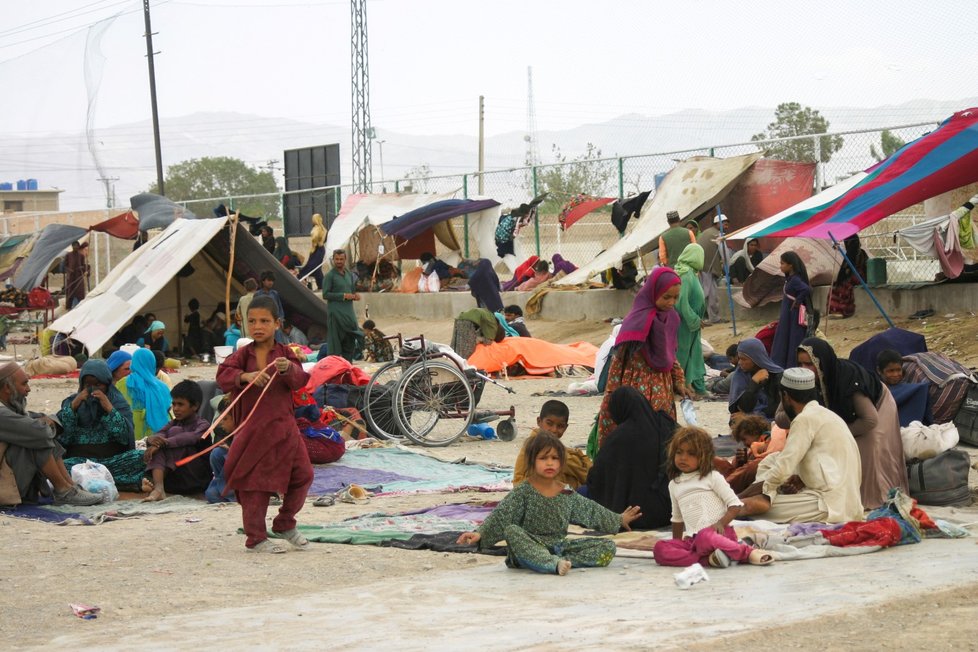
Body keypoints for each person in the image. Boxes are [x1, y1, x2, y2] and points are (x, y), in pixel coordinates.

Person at [456, 432, 642, 575]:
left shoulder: (567, 492)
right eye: (543, 458)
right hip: (528, 547)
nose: (550, 463)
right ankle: (551, 564)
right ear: (532, 461)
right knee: (512, 531)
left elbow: (591, 511)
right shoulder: (524, 491)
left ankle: (556, 560)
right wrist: (479, 534)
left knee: (608, 548)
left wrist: (618, 519)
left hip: (558, 547)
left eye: (554, 458)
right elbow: (502, 515)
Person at [217, 295, 314, 553]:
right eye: (252, 321)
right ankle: (256, 537)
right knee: (254, 485)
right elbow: (223, 375)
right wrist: (244, 376)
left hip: (285, 429)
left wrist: (287, 370)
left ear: (277, 324)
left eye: (264, 321)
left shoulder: (285, 354)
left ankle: (284, 522)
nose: (257, 326)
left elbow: (300, 379)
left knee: (303, 475)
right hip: (254, 432)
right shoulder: (241, 356)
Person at [739, 368, 864, 524]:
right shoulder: (828, 414)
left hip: (829, 504)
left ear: (785, 396)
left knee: (749, 509)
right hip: (848, 499)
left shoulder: (804, 419)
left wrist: (741, 496)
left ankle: (764, 497)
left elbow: (784, 466)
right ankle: (767, 495)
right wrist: (799, 479)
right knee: (772, 459)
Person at [797, 337, 908, 509]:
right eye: (801, 365)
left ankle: (874, 498)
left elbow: (870, 420)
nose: (806, 370)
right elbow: (783, 416)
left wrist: (837, 433)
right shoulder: (808, 381)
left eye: (810, 364)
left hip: (878, 406)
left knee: (869, 445)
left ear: (822, 363)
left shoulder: (847, 380)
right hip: (852, 418)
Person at [653, 426, 774, 568]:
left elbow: (734, 505)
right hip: (694, 541)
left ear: (703, 456)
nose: (683, 458)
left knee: (705, 536)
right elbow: (677, 519)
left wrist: (720, 524)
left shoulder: (712, 477)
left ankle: (746, 552)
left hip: (718, 534)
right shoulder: (674, 484)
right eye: (679, 452)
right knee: (659, 549)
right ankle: (709, 559)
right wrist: (678, 545)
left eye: (691, 454)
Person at [596, 268, 691, 448]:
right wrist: (611, 395)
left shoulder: (672, 319)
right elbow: (619, 360)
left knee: (660, 432)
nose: (671, 302)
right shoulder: (637, 320)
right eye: (666, 297)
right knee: (635, 433)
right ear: (652, 292)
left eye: (675, 298)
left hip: (662, 388)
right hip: (635, 387)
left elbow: (671, 354)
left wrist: (678, 380)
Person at [0, 361, 102, 506]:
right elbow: (40, 431)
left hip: (15, 474)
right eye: (24, 384)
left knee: (40, 436)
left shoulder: (10, 407)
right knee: (37, 441)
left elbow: (41, 418)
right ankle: (64, 490)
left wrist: (46, 424)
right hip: (5, 482)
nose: (28, 389)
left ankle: (69, 487)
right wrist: (45, 425)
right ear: (7, 388)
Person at [586, 387, 675, 529]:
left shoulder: (617, 438)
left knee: (579, 493)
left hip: (629, 516)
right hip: (670, 511)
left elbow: (596, 478)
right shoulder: (665, 424)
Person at [58, 359, 145, 491]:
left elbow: (124, 437)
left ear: (107, 384)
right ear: (82, 384)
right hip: (80, 465)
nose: (92, 389)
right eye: (88, 385)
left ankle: (92, 483)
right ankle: (117, 483)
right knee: (59, 467)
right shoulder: (71, 402)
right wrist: (74, 407)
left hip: (112, 462)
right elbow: (63, 437)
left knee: (141, 458)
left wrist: (109, 409)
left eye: (98, 385)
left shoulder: (118, 402)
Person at [142, 380, 211, 502]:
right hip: (176, 477)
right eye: (174, 404)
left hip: (195, 478)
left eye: (180, 404)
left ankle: (156, 485)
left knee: (174, 434)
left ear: (195, 406)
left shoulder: (203, 424)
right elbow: (160, 434)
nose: (176, 409)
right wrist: (152, 440)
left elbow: (190, 438)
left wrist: (164, 443)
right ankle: (159, 488)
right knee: (160, 441)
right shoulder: (174, 422)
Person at [512, 400, 591, 490]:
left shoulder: (557, 447)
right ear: (539, 421)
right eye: (549, 424)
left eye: (560, 426)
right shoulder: (535, 445)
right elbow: (585, 476)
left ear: (565, 427)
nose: (554, 430)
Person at [116, 348, 172, 442]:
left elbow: (115, 406)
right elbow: (168, 407)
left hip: (132, 430)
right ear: (152, 363)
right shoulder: (162, 386)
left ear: (134, 363)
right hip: (158, 432)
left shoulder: (124, 383)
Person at [674, 243, 708, 398]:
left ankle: (694, 385)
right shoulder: (685, 274)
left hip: (691, 324)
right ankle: (679, 386)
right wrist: (694, 319)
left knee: (694, 353)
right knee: (683, 353)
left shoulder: (691, 273)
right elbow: (681, 301)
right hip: (685, 323)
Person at [769, 251, 812, 369]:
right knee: (786, 338)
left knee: (792, 339)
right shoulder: (791, 279)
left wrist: (797, 301)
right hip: (788, 314)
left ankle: (790, 365)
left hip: (793, 315)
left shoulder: (795, 280)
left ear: (791, 265)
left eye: (782, 263)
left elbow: (806, 289)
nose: (780, 266)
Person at [728, 338, 784, 420]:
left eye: (744, 359)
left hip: (772, 420)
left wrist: (750, 416)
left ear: (756, 358)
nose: (739, 363)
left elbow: (776, 409)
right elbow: (740, 408)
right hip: (751, 417)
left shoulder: (778, 376)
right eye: (739, 358)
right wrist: (754, 383)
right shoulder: (740, 375)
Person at [322, 250, 363, 362]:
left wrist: (355, 296)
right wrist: (343, 296)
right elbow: (325, 294)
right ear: (333, 260)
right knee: (335, 344)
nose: (339, 261)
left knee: (350, 340)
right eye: (337, 259)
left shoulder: (349, 274)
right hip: (336, 314)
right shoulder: (330, 276)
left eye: (341, 259)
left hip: (348, 314)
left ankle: (348, 368)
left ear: (345, 260)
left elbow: (352, 291)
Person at [695, 213, 729, 323]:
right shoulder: (718, 235)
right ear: (717, 224)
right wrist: (727, 266)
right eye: (724, 223)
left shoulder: (706, 232)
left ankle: (707, 317)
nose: (726, 226)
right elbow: (725, 254)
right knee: (710, 293)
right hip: (708, 267)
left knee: (705, 292)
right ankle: (712, 318)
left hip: (701, 266)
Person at [827, 234, 868, 319]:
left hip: (859, 277)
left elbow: (850, 270)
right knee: (836, 286)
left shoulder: (856, 253)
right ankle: (834, 310)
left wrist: (844, 277)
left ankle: (842, 310)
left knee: (843, 288)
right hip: (855, 276)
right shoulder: (852, 253)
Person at [205, 396, 236, 504]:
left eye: (225, 419)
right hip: (231, 481)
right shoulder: (229, 435)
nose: (221, 423)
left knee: (211, 494)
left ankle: (231, 493)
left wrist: (233, 452)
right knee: (217, 453)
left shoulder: (247, 433)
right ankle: (226, 490)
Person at [298, 213, 327, 290]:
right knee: (316, 269)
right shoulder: (322, 229)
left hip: (317, 249)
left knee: (312, 267)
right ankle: (321, 285)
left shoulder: (318, 229)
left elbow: (315, 238)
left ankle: (301, 280)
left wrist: (315, 244)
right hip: (318, 250)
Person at [64, 240, 90, 309]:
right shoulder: (68, 255)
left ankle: (81, 307)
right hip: (71, 278)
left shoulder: (81, 256)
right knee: (70, 293)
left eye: (77, 245)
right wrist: (69, 270)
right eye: (74, 245)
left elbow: (83, 266)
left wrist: (85, 269)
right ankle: (69, 307)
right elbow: (65, 266)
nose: (75, 247)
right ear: (72, 246)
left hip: (79, 277)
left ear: (78, 246)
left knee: (80, 293)